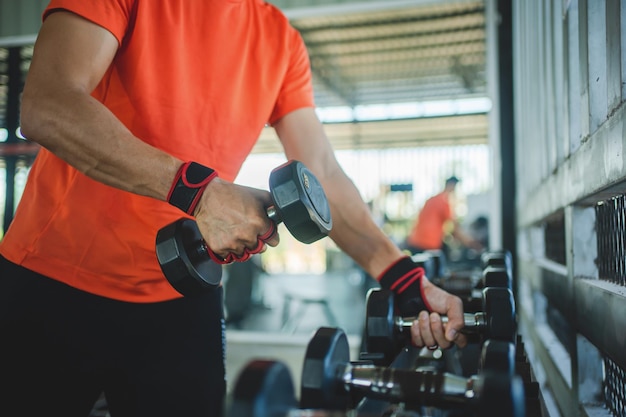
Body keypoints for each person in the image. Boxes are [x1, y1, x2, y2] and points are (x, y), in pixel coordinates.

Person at [0, 1, 467, 416]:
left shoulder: (280, 39)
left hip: (181, 295)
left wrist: (402, 278)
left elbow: (320, 171)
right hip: (55, 280)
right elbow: (49, 103)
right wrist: (200, 193)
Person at [406, 176, 484, 255]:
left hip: (415, 241)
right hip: (429, 244)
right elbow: (455, 228)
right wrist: (471, 243)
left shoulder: (432, 199)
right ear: (452, 186)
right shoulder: (444, 200)